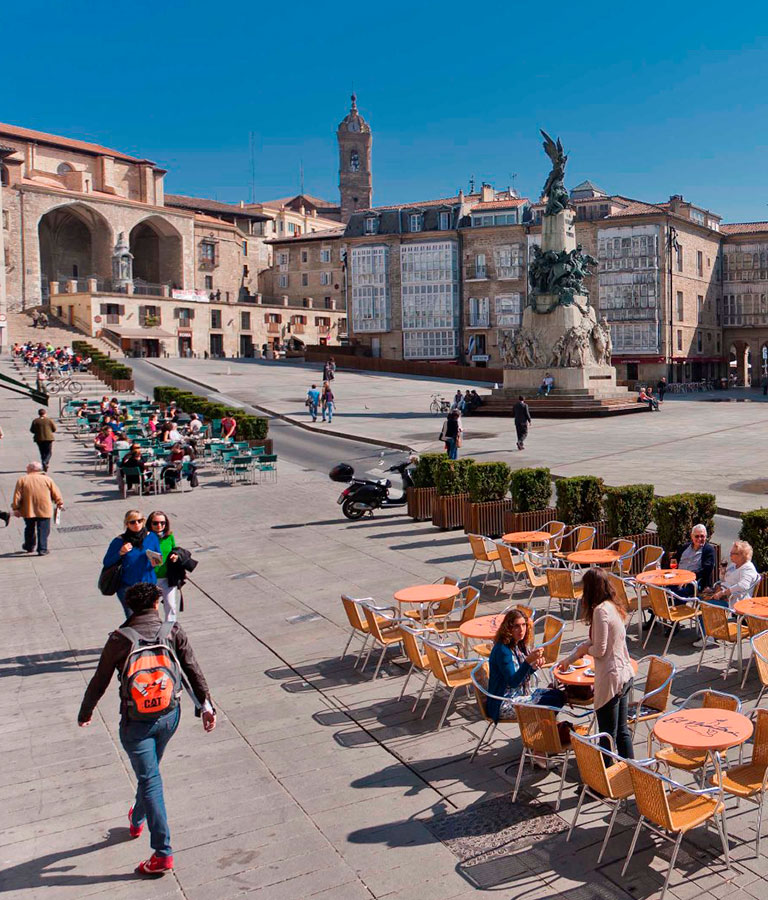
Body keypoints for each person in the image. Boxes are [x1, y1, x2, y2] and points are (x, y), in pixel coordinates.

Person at [78, 582, 216, 877]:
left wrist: (86, 711)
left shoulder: (119, 639)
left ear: (131, 607)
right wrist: (206, 706)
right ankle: (136, 816)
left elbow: (100, 679)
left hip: (135, 723)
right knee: (149, 775)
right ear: (156, 604)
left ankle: (162, 854)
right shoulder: (172, 631)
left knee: (150, 779)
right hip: (169, 716)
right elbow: (193, 668)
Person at [557, 568, 635, 759]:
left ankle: (605, 782)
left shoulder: (600, 611)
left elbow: (599, 650)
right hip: (625, 674)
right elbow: (598, 642)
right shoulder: (612, 606)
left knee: (607, 734)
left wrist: (584, 652)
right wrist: (570, 659)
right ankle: (633, 773)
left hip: (611, 678)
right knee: (622, 731)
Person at [486, 608, 546, 722]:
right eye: (516, 626)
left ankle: (541, 733)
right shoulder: (502, 650)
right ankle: (541, 734)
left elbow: (519, 673)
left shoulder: (518, 644)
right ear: (508, 628)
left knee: (556, 695)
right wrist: (528, 662)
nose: (521, 630)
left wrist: (533, 667)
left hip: (520, 694)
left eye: (524, 625)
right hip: (504, 703)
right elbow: (513, 682)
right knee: (548, 706)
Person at [103, 510, 162, 619]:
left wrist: (156, 562)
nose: (137, 524)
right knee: (133, 618)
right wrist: (120, 552)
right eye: (133, 522)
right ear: (127, 524)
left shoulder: (152, 537)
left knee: (150, 618)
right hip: (128, 587)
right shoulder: (119, 541)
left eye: (139, 521)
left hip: (148, 585)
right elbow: (107, 562)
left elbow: (159, 556)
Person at [11, 461, 64, 556]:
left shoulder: (22, 480)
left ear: (32, 469)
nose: (26, 469)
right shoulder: (47, 479)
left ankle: (29, 546)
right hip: (44, 508)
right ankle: (42, 549)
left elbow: (17, 496)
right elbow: (56, 492)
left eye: (27, 468)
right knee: (43, 529)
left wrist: (16, 508)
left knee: (29, 528)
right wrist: (59, 502)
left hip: (28, 508)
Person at [701, 540, 758, 610]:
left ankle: (711, 620)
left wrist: (722, 593)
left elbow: (743, 585)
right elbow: (723, 580)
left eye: (732, 553)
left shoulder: (748, 569)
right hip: (721, 593)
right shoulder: (734, 564)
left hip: (733, 600)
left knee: (704, 606)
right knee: (700, 599)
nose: (730, 555)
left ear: (742, 555)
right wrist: (722, 573)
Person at [148, 511, 180, 622]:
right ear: (150, 524)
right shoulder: (146, 538)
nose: (159, 526)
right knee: (151, 608)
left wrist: (175, 555)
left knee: (170, 605)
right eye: (155, 523)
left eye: (163, 523)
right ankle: (154, 629)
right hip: (151, 578)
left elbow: (174, 549)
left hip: (168, 578)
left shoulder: (169, 536)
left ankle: (170, 631)